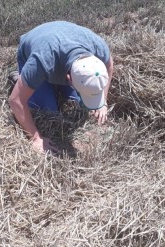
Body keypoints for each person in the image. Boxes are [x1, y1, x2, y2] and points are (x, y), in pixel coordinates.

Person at [8, 21, 114, 154]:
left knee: (76, 104)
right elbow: (15, 100)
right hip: (37, 45)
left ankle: (43, 82)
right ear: (69, 79)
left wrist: (103, 101)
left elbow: (109, 66)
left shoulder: (98, 47)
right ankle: (21, 78)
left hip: (60, 43)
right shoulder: (42, 60)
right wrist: (36, 138)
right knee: (47, 110)